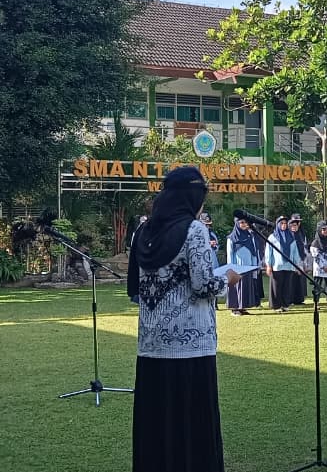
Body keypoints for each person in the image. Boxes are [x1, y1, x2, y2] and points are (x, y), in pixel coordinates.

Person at [130, 166, 241, 472]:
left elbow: (135, 285)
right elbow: (204, 284)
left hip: (151, 344)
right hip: (190, 344)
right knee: (192, 420)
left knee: (157, 420)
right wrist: (229, 279)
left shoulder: (143, 232)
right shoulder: (194, 230)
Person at [225, 218, 264, 316]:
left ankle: (242, 308)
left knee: (245, 288)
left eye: (246, 222)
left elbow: (254, 253)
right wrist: (231, 269)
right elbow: (230, 255)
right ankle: (235, 309)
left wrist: (254, 267)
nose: (244, 224)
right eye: (242, 222)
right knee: (236, 288)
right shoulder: (232, 238)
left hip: (248, 268)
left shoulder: (250, 236)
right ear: (237, 224)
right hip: (237, 269)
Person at [264, 216, 302, 313]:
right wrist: (268, 265)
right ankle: (276, 306)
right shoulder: (272, 237)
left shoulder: (291, 236)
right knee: (276, 286)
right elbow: (269, 252)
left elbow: (295, 252)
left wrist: (297, 264)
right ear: (277, 224)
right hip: (277, 265)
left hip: (289, 266)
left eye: (285, 223)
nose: (284, 225)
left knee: (287, 286)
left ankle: (285, 304)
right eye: (282, 223)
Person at [310, 221, 327, 310]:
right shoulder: (315, 243)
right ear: (319, 230)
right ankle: (316, 303)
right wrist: (323, 266)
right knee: (317, 286)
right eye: (323, 229)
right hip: (319, 269)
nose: (325, 231)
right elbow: (316, 256)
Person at [288, 214, 309, 305]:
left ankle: (299, 299)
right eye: (292, 225)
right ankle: (290, 299)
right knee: (291, 281)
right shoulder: (288, 235)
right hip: (291, 261)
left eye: (296, 225)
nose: (294, 227)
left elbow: (304, 247)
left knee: (299, 281)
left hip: (300, 260)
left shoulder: (301, 234)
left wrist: (305, 262)